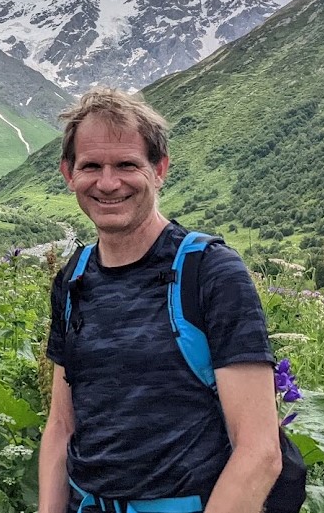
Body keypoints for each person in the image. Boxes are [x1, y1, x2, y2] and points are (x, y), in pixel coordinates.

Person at [39, 88, 282, 513]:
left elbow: (260, 451)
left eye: (127, 165)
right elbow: (61, 425)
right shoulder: (73, 277)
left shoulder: (210, 272)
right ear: (68, 173)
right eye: (91, 166)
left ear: (159, 169)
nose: (108, 183)